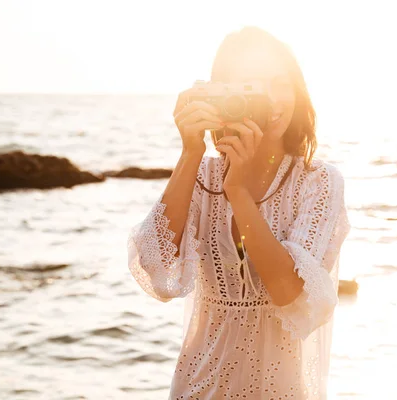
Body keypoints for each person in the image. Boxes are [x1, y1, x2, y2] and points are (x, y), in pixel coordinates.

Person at [127, 26, 351, 399]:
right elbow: (158, 275)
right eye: (252, 86)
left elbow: (289, 294)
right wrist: (190, 152)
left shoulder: (319, 182)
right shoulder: (201, 176)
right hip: (198, 387)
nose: (272, 100)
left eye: (280, 84)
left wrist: (239, 192)